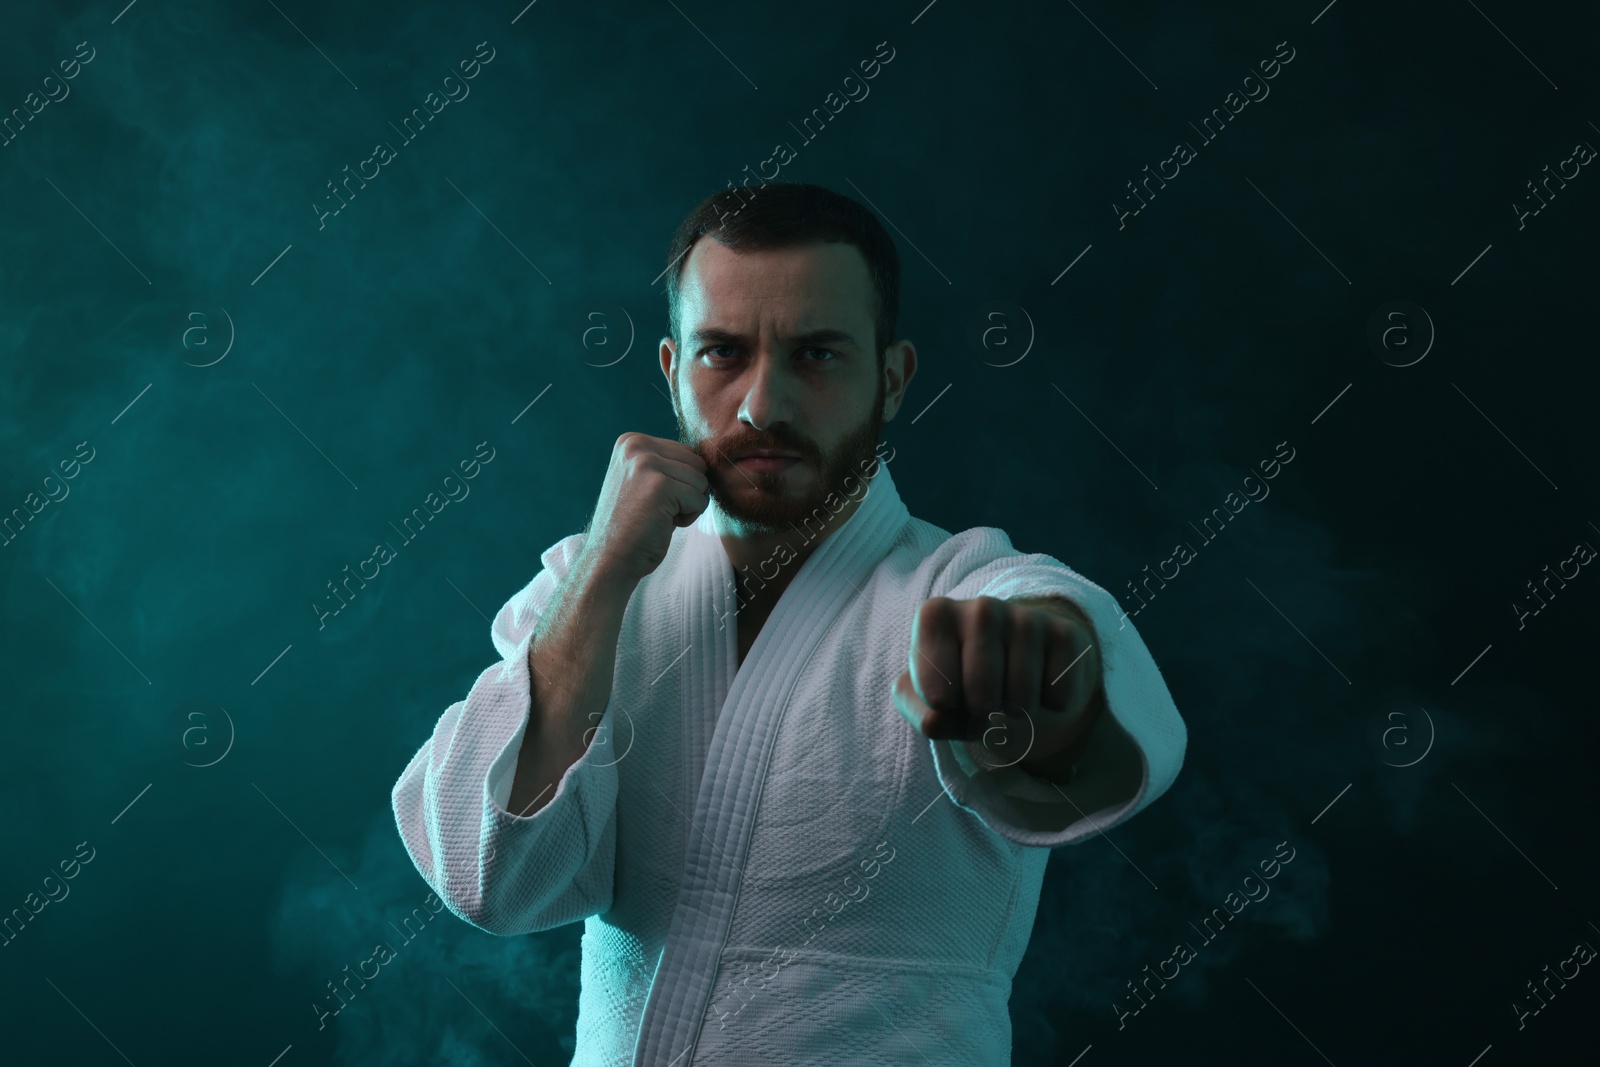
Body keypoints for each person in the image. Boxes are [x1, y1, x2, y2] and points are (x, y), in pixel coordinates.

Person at [391, 182, 1187, 1065]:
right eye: (722, 353)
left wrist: (1047, 670)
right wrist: (606, 570)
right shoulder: (591, 589)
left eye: (816, 355)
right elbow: (490, 879)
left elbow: (1074, 660)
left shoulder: (959, 587)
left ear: (892, 378)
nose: (762, 403)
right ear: (670, 370)